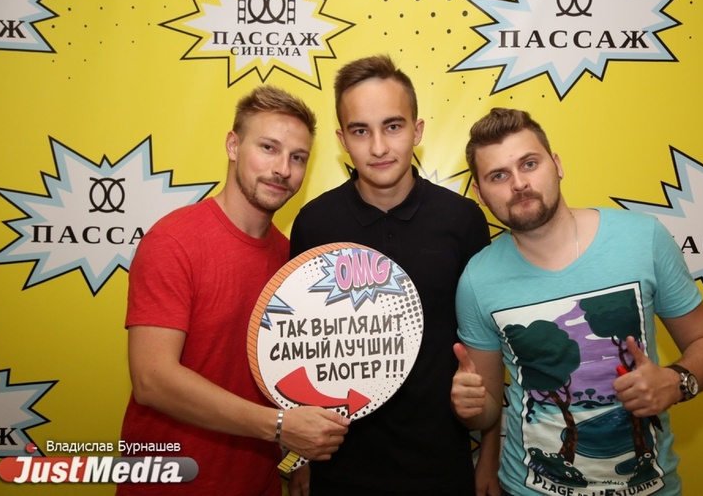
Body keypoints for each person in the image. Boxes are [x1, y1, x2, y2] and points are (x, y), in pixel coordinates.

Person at [450, 108, 703, 496]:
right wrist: (470, 407)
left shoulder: (642, 239)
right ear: (480, 195)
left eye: (529, 164)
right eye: (498, 175)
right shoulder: (478, 280)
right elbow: (488, 411)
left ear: (557, 165)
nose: (519, 183)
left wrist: (676, 381)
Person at [118, 86, 350, 496]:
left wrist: (299, 456)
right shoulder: (174, 241)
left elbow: (290, 376)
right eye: (268, 147)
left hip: (257, 481)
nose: (282, 169)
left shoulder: (291, 262)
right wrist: (280, 427)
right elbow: (152, 379)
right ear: (233, 146)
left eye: (298, 157)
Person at [288, 55, 493, 496]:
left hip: (440, 465)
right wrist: (300, 457)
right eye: (361, 131)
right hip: (338, 467)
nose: (379, 147)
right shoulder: (314, 223)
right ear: (343, 140)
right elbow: (297, 347)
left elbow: (487, 349)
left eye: (393, 126)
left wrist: (490, 455)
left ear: (417, 131)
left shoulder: (462, 219)